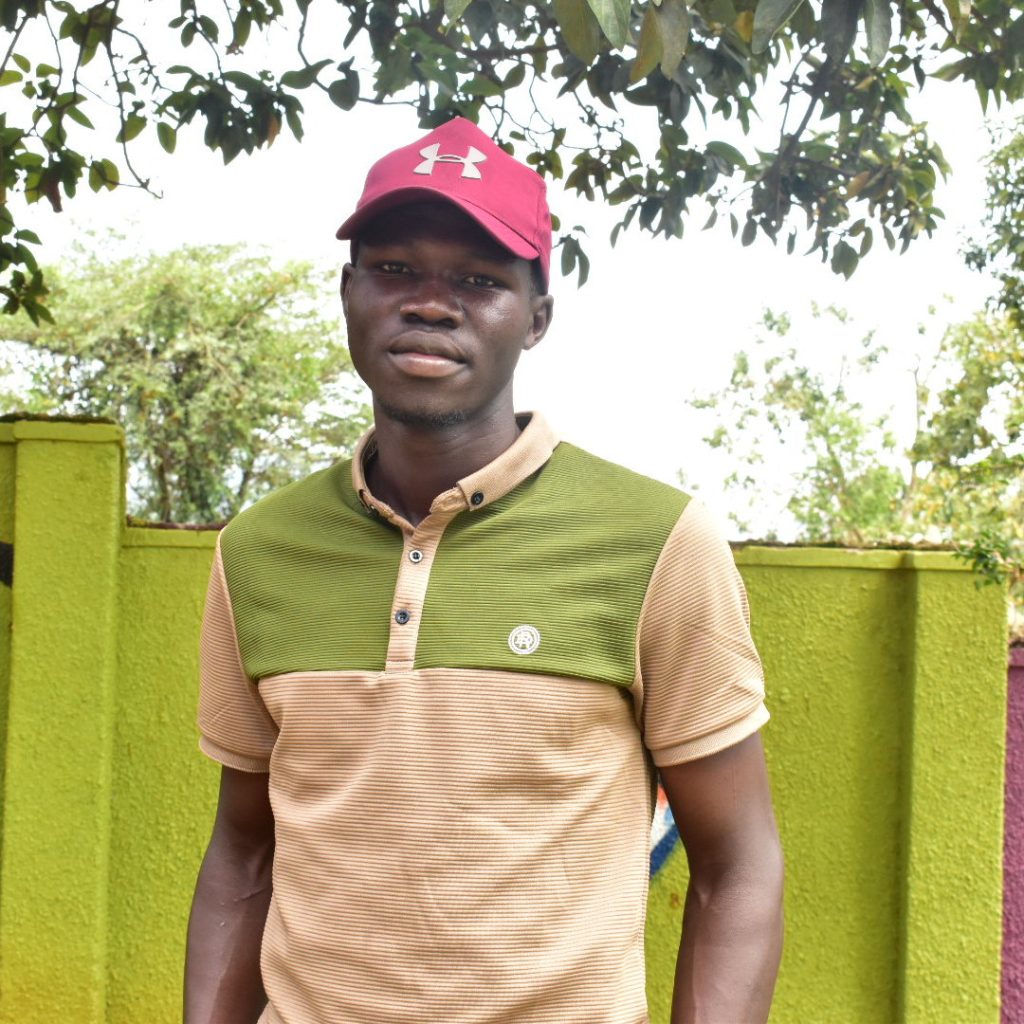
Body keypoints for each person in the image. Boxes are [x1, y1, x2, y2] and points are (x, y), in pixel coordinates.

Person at [184, 116, 784, 1024]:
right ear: (347, 292)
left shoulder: (656, 541)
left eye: (478, 279)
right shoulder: (259, 551)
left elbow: (737, 867)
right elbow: (243, 854)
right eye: (395, 269)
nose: (431, 304)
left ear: (536, 318)